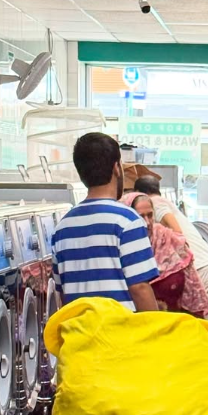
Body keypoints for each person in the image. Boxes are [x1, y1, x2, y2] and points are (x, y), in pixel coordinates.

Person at [52, 132, 158, 312]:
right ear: (117, 168)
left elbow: (63, 294)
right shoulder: (128, 221)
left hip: (79, 327)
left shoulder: (62, 228)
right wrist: (156, 327)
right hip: (119, 328)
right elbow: (140, 288)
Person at [133, 175, 208, 342]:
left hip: (199, 268)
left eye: (149, 216)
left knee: (199, 329)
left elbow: (179, 234)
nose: (147, 222)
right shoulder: (165, 202)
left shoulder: (155, 204)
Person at [121, 191, 208, 317]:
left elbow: (192, 285)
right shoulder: (123, 247)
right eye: (140, 216)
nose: (147, 222)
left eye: (150, 215)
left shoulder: (168, 239)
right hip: (141, 323)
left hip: (176, 319)